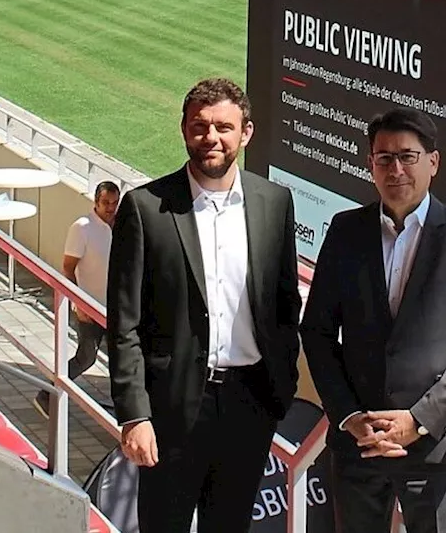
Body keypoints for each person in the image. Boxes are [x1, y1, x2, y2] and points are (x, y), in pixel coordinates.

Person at [106, 77, 302, 533]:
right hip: (171, 409)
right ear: (183, 129)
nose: (211, 138)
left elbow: (284, 305)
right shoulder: (144, 208)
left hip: (249, 404)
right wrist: (135, 414)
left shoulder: (275, 203)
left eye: (223, 127)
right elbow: (124, 324)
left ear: (245, 133)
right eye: (200, 126)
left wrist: (280, 389)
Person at [300, 107, 446, 533]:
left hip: (432, 451)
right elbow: (317, 331)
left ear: (433, 162)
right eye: (384, 157)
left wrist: (418, 420)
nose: (396, 169)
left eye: (408, 157)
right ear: (370, 164)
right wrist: (349, 416)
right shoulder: (345, 231)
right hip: (359, 446)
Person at [33, 180, 121, 418]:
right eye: (106, 203)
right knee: (86, 357)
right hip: (89, 309)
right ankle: (46, 394)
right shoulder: (82, 228)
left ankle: (122, 408)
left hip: (116, 309)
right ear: (95, 202)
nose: (110, 209)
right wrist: (78, 303)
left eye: (114, 203)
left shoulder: (122, 226)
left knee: (123, 360)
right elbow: (68, 268)